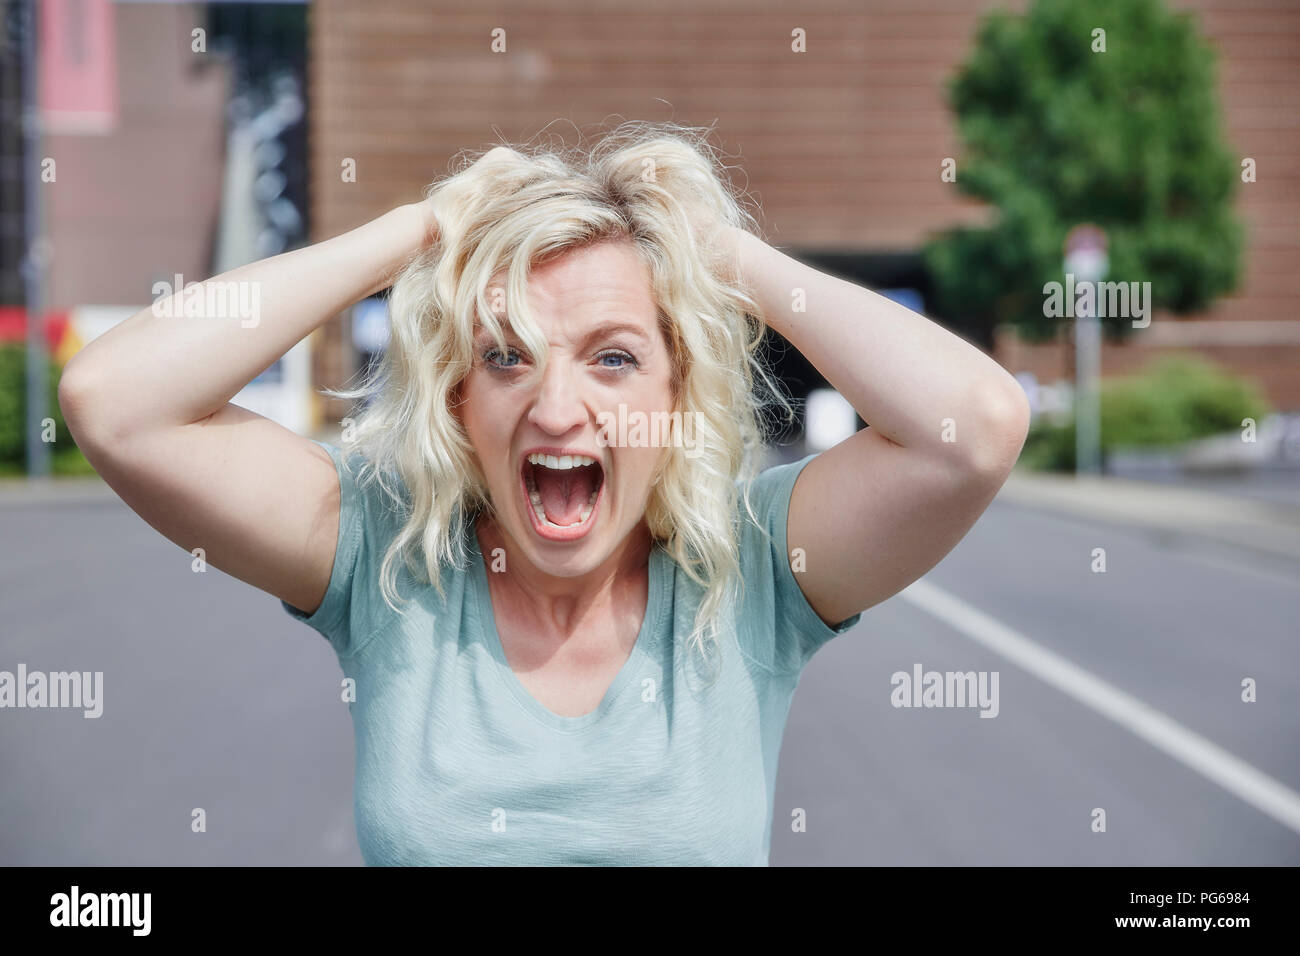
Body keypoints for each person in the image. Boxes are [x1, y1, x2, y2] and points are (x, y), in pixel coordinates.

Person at [58, 122, 1030, 865]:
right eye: (508, 356)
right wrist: (419, 231)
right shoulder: (385, 554)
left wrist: (720, 255)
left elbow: (975, 426)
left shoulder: (762, 566)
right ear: (459, 399)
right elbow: (116, 401)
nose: (557, 405)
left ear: (676, 390)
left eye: (613, 357)